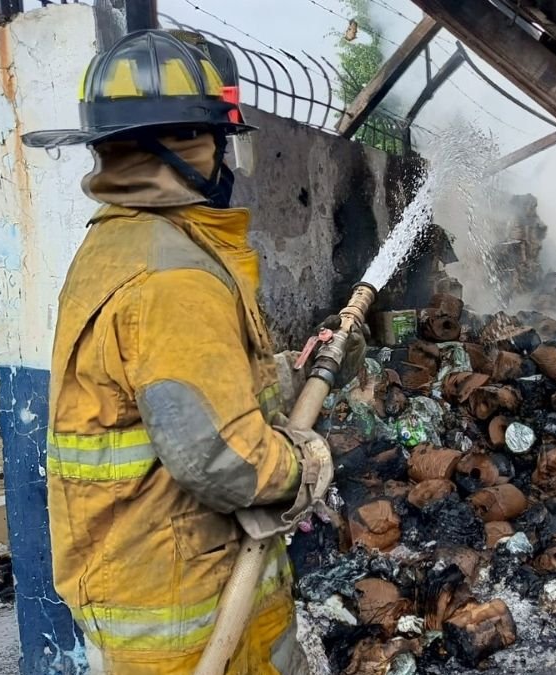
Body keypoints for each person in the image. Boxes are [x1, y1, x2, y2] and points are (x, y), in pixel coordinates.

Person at [21, 30, 365, 674]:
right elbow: (221, 459)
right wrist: (308, 465)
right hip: (191, 607)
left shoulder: (120, 247)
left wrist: (297, 374)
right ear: (183, 146)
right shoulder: (174, 277)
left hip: (144, 580)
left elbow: (184, 396)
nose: (227, 161)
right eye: (219, 141)